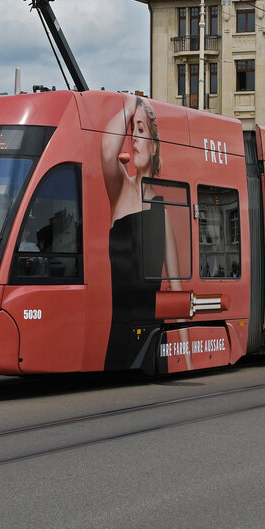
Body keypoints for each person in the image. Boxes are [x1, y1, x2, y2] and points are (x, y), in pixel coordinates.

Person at [100, 95, 181, 371]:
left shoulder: (163, 212)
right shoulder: (120, 188)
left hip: (151, 335)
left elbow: (177, 290)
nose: (134, 137)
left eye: (141, 130)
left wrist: (186, 357)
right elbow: (106, 148)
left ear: (154, 147)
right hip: (118, 334)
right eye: (132, 129)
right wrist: (129, 105)